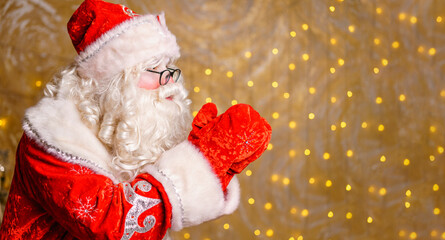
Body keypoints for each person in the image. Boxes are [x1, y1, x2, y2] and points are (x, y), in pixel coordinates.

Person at [0, 0, 272, 239]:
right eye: (153, 69)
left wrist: (220, 166)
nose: (169, 81)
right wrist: (209, 156)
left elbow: (166, 201)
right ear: (113, 83)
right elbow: (111, 224)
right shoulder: (51, 143)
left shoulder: (130, 131)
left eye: (168, 66)